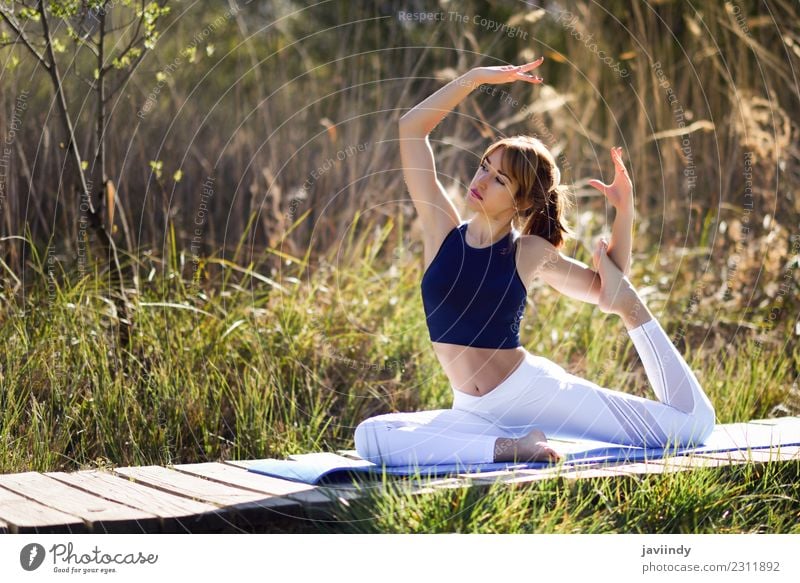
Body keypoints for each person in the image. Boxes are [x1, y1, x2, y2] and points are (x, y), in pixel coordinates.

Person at [354, 58, 715, 467]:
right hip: (472, 412)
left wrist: (625, 213)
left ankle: (517, 444)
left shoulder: (527, 253)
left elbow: (606, 288)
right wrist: (476, 79)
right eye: (484, 167)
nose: (481, 182)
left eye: (500, 180)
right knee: (371, 437)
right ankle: (514, 449)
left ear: (521, 202)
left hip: (532, 395)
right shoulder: (442, 231)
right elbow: (411, 128)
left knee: (691, 427)